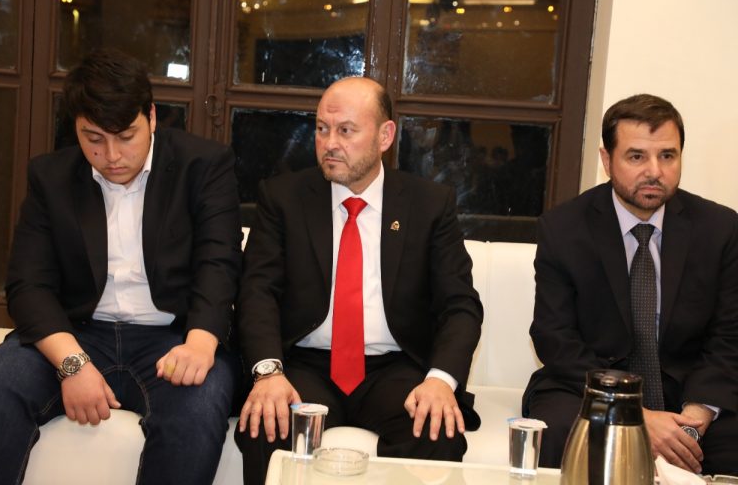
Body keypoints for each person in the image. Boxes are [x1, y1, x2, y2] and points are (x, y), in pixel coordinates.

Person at [0, 49, 243, 484]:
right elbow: (27, 285)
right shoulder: (51, 177)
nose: (112, 155)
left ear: (151, 117)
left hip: (172, 338)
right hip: (78, 332)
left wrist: (200, 343)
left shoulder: (203, 165)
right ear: (75, 128)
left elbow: (220, 262)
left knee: (197, 406)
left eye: (126, 136)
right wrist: (72, 364)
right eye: (93, 138)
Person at [235, 76, 483, 484]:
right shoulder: (283, 198)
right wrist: (268, 373)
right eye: (321, 128)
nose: (329, 143)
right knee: (268, 423)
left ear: (385, 136)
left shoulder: (428, 204)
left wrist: (440, 381)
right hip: (305, 365)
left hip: (395, 366)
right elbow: (256, 292)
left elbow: (460, 306)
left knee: (436, 431)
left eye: (346, 130)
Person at [522, 93, 738, 474]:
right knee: (563, 432)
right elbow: (555, 338)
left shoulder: (719, 229)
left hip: (689, 393)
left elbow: (729, 335)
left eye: (667, 156)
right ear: (607, 161)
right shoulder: (563, 229)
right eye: (636, 156)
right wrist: (634, 413)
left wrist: (693, 418)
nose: (654, 171)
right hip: (591, 388)